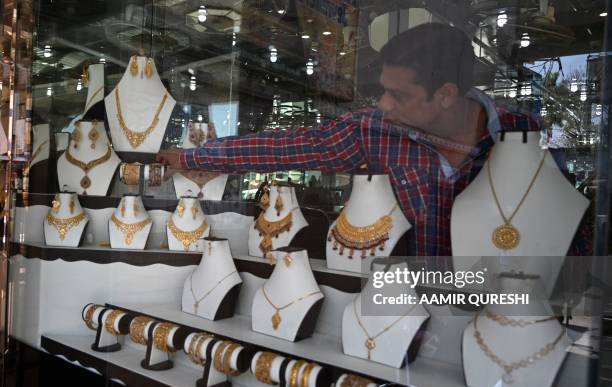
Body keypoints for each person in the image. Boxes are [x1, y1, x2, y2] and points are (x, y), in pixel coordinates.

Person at [157, 23, 587, 256]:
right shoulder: (375, 131)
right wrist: (197, 155)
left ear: (446, 95)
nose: (382, 104)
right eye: (382, 89)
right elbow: (293, 146)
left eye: (397, 94)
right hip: (409, 311)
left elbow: (564, 227)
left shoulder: (523, 134)